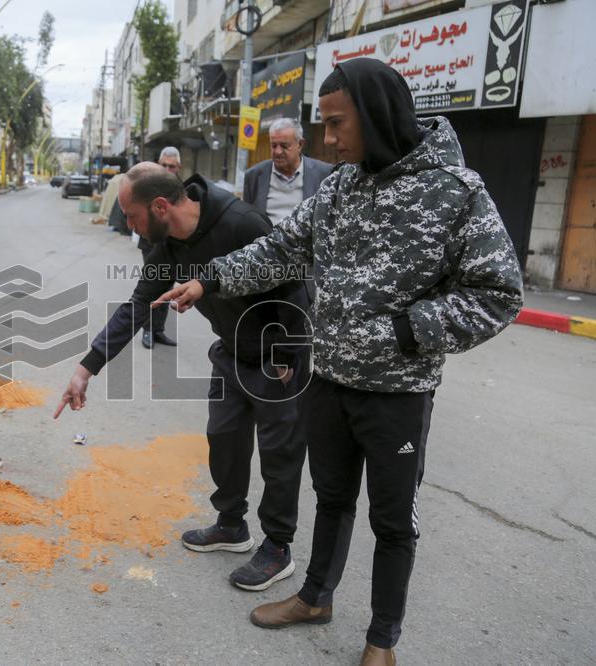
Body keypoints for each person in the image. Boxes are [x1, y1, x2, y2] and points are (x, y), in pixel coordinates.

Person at [157, 59, 523, 665]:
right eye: (321, 126)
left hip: (397, 392)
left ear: (377, 116)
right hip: (327, 380)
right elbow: (280, 249)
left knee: (392, 520)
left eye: (336, 124)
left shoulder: (455, 191)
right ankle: (314, 596)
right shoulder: (340, 187)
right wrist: (211, 278)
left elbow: (499, 293)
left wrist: (409, 331)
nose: (327, 140)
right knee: (330, 498)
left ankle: (382, 639)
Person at [55, 162, 312, 592]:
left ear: (159, 206)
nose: (130, 226)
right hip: (231, 352)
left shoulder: (241, 222)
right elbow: (137, 306)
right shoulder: (170, 247)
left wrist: (286, 354)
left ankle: (278, 546)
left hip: (276, 355)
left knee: (278, 456)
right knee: (225, 439)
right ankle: (231, 525)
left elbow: (293, 283)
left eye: (132, 216)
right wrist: (86, 369)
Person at [243, 117, 333, 225]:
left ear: (300, 144)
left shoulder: (325, 174)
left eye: (284, 146)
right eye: (274, 145)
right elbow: (247, 219)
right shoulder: (254, 176)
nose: (278, 152)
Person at [138, 147, 183, 349]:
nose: (166, 169)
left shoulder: (183, 188)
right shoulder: (148, 185)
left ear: (178, 167)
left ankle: (158, 330)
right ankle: (147, 329)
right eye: (163, 165)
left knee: (167, 287)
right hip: (151, 243)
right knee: (152, 287)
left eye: (171, 166)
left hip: (172, 246)